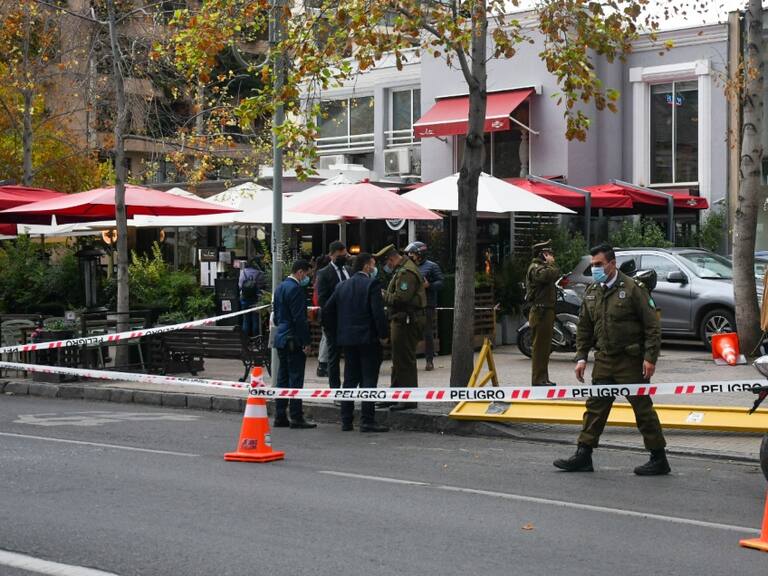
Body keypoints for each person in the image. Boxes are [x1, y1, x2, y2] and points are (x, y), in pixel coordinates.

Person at [553, 243, 669, 476]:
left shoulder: (633, 288)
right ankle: (583, 455)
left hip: (631, 360)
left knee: (643, 410)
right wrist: (581, 358)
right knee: (595, 409)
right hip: (604, 360)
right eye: (593, 265)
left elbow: (652, 327)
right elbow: (584, 327)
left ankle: (659, 458)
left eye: (599, 265)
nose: (595, 269)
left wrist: (650, 358)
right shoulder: (593, 291)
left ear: (612, 264)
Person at [323, 253, 389, 432]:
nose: (375, 268)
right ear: (367, 266)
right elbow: (378, 313)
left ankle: (346, 420)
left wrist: (336, 332)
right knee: (369, 380)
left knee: (350, 380)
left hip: (347, 340)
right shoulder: (372, 284)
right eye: (373, 264)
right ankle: (367, 420)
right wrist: (383, 335)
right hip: (368, 339)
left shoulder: (341, 286)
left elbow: (327, 310)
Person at [374, 244, 426, 411]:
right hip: (401, 320)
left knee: (405, 361)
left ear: (391, 259)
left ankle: (408, 399)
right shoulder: (402, 269)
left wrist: (383, 295)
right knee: (398, 361)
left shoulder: (406, 272)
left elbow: (401, 299)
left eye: (386, 263)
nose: (385, 267)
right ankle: (395, 395)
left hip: (406, 321)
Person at [272, 260, 316, 429]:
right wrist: (306, 342)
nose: (307, 278)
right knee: (296, 377)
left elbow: (276, 315)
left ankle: (280, 414)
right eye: (307, 274)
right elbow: (300, 319)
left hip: (281, 337)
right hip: (293, 338)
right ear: (300, 272)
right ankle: (296, 416)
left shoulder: (280, 287)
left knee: (282, 377)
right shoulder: (296, 289)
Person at [525, 239, 560, 386]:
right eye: (548, 253)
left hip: (546, 310)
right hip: (540, 311)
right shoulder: (536, 268)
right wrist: (551, 264)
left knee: (545, 348)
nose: (551, 256)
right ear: (542, 254)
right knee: (539, 348)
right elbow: (548, 276)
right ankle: (538, 379)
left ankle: (543, 378)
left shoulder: (542, 267)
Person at [315, 241, 350, 387]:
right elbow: (323, 300)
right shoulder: (324, 273)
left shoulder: (349, 270)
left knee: (350, 357)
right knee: (333, 358)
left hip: (350, 322)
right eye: (340, 255)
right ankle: (335, 389)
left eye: (345, 254)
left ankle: (349, 389)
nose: (343, 257)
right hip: (333, 322)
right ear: (332, 255)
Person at [406, 241, 444, 372]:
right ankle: (410, 361)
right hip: (413, 304)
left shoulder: (432, 266)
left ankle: (429, 361)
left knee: (427, 332)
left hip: (427, 304)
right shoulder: (409, 267)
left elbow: (441, 282)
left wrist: (430, 286)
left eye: (412, 253)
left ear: (419, 254)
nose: (410, 255)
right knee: (410, 332)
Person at [239, 257, 267, 337]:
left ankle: (245, 340)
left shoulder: (243, 272)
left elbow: (240, 285)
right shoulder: (260, 274)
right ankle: (256, 340)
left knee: (246, 320)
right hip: (256, 299)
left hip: (244, 299)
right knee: (256, 320)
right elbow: (263, 286)